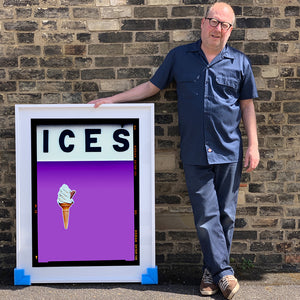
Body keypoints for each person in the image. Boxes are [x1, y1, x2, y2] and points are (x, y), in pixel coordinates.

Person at [89, 2, 259, 299]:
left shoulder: (240, 62)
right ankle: (225, 274)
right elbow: (151, 87)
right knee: (207, 216)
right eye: (213, 21)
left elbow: (247, 106)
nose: (218, 29)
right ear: (203, 22)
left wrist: (254, 145)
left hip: (230, 149)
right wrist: (114, 100)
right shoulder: (179, 57)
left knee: (226, 216)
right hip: (195, 151)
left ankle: (211, 274)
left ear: (231, 31)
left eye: (225, 25)